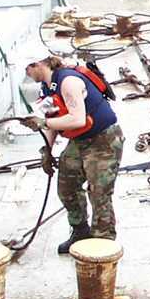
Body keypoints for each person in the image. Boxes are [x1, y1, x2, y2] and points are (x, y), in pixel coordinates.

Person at [19, 47, 125, 254]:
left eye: (27, 69)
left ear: (37, 64)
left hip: (104, 139)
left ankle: (103, 243)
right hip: (80, 141)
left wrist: (42, 122)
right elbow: (52, 120)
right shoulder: (47, 87)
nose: (27, 74)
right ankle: (80, 232)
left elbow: (77, 119)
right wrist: (47, 151)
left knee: (99, 192)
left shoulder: (68, 82)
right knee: (66, 187)